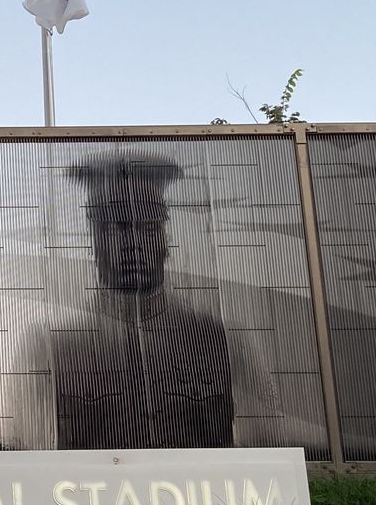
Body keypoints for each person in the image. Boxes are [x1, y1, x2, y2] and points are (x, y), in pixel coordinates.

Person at [13, 153, 234, 449]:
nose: (134, 244)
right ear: (94, 241)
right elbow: (30, 451)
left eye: (149, 227)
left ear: (166, 241)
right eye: (115, 228)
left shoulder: (215, 339)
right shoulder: (54, 347)